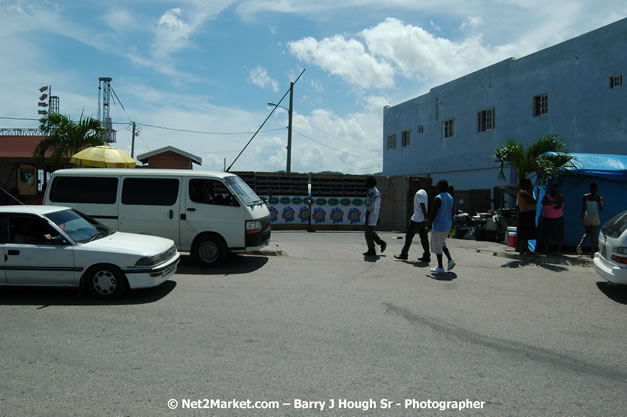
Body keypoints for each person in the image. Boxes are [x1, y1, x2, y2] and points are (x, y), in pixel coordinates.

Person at [395, 179, 430, 262]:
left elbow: (422, 205)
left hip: (417, 220)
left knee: (409, 237)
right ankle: (427, 255)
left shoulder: (418, 194)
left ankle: (404, 254)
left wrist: (425, 218)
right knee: (424, 238)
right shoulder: (424, 192)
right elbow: (420, 207)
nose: (412, 188)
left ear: (415, 185)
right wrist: (424, 218)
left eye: (412, 186)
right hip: (420, 219)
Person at [428, 179, 455, 273]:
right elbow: (452, 211)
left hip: (439, 225)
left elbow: (433, 213)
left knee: (437, 245)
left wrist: (428, 224)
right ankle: (450, 260)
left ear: (440, 187)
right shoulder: (451, 197)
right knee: (442, 243)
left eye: (438, 186)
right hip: (448, 224)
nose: (437, 188)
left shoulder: (438, 198)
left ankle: (440, 267)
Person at [577, 182, 604, 257]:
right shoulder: (598, 197)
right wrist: (601, 200)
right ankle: (591, 252)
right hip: (594, 216)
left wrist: (582, 218)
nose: (595, 191)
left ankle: (580, 245)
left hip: (587, 216)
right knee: (593, 235)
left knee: (588, 233)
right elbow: (601, 208)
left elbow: (583, 208)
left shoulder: (586, 196)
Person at [363, 176, 387, 256]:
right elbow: (378, 205)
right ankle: (381, 243)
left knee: (367, 233)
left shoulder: (371, 192)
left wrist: (367, 217)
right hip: (375, 214)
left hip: (370, 215)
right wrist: (378, 216)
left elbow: (369, 206)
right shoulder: (377, 191)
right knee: (370, 232)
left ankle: (371, 250)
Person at [540, 182, 565, 255]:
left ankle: (559, 251)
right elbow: (545, 202)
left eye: (554, 189)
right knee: (546, 235)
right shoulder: (546, 197)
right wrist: (554, 202)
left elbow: (559, 205)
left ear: (557, 189)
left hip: (558, 218)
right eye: (551, 189)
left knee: (559, 235)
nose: (552, 190)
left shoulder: (560, 197)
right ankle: (546, 249)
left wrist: (552, 201)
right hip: (547, 218)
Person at [516, 178, 537, 255]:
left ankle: (526, 249)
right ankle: (522, 250)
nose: (530, 185)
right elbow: (532, 201)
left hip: (529, 214)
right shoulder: (522, 192)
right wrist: (534, 200)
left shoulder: (526, 192)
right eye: (528, 184)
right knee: (523, 233)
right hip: (525, 214)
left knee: (527, 233)